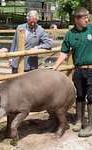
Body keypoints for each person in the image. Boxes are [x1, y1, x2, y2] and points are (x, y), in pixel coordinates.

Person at [52, 7, 92, 137]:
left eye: (87, 17)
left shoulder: (91, 28)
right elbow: (64, 51)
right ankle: (79, 121)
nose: (87, 19)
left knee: (91, 97)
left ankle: (90, 126)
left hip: (91, 69)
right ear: (77, 19)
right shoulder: (70, 34)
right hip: (78, 70)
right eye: (84, 18)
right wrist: (55, 66)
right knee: (79, 95)